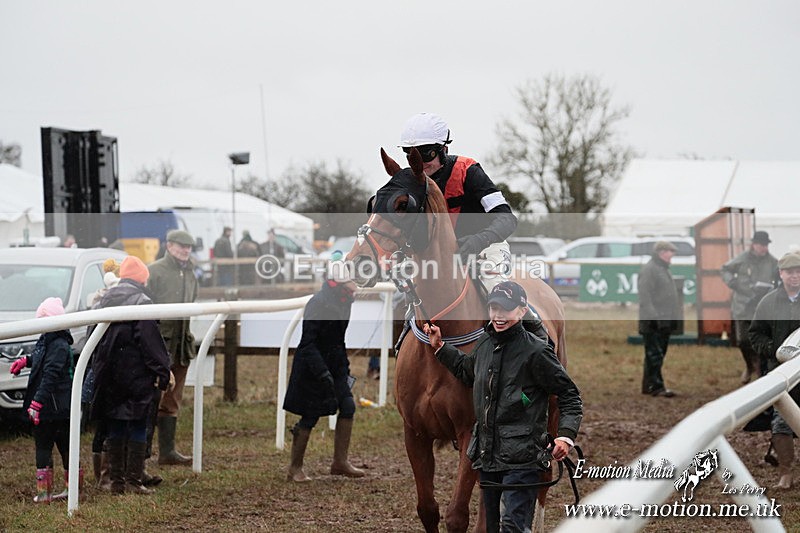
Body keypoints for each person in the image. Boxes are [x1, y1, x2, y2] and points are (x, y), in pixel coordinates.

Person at [423, 281, 582, 532]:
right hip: (488, 458)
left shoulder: (537, 351)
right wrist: (441, 348)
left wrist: (565, 436)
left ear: (521, 311)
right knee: (494, 526)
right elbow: (467, 371)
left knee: (512, 526)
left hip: (523, 460)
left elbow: (569, 394)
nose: (498, 316)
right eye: (494, 308)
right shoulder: (485, 344)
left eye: (505, 310)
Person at [398, 112, 517, 289]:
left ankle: (525, 317)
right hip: (438, 258)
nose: (419, 164)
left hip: (485, 249)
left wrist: (478, 240)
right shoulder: (409, 183)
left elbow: (507, 219)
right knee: (402, 295)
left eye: (425, 155)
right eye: (411, 156)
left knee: (495, 289)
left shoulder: (469, 171)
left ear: (443, 150)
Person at [91, 256, 173, 494]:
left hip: (109, 374)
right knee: (138, 424)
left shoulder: (104, 300)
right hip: (136, 375)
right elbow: (150, 343)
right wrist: (163, 372)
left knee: (115, 424)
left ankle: (117, 484)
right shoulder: (143, 302)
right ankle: (134, 482)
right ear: (142, 279)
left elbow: (93, 338)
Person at [283, 260, 365, 482]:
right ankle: (295, 468)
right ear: (338, 283)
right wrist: (322, 373)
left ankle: (340, 462)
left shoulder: (345, 300)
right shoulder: (318, 303)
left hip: (335, 365)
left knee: (348, 406)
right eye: (351, 281)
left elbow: (338, 340)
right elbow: (308, 343)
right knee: (309, 416)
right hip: (312, 367)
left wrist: (343, 369)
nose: (355, 285)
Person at [9, 297, 77, 503]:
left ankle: (51, 491)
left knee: (50, 446)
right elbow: (42, 359)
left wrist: (37, 402)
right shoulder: (49, 340)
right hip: (56, 405)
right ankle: (64, 488)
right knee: (60, 446)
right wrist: (26, 361)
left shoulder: (57, 344)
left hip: (53, 407)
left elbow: (51, 374)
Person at [148, 229, 199, 466]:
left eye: (188, 246)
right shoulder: (155, 271)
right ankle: (143, 454)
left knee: (172, 400)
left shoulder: (190, 273)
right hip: (158, 346)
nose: (185, 250)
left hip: (180, 345)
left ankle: (167, 452)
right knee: (151, 400)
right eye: (180, 246)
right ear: (169, 246)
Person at [750, 252, 800, 490]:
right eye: (790, 272)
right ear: (781, 274)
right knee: (781, 425)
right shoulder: (768, 302)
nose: (795, 276)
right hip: (781, 376)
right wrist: (774, 350)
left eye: (799, 271)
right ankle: (786, 472)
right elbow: (755, 333)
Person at [721, 230, 779, 383]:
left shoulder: (773, 262)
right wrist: (732, 283)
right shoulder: (742, 259)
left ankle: (761, 371)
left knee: (761, 341)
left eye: (766, 245)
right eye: (761, 245)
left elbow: (779, 278)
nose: (764, 248)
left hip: (761, 308)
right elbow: (725, 269)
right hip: (742, 306)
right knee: (743, 341)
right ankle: (750, 365)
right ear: (754, 245)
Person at [638, 241, 679, 397]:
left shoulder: (661, 269)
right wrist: (653, 317)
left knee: (655, 354)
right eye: (670, 251)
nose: (672, 255)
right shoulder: (651, 270)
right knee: (654, 354)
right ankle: (656, 387)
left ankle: (648, 385)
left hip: (663, 321)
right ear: (661, 252)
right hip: (654, 322)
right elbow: (645, 296)